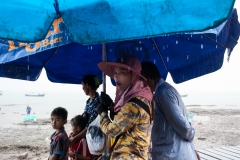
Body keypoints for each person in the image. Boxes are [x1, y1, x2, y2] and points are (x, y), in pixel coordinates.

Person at [97, 54, 153, 159]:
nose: (116, 77)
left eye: (122, 72)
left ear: (133, 75)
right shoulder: (141, 97)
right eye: (115, 72)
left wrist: (102, 113)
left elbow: (111, 130)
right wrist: (110, 105)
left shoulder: (132, 106)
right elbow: (124, 121)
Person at [141, 61, 201, 160]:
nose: (141, 86)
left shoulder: (163, 93)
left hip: (174, 155)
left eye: (141, 81)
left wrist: (191, 144)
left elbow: (184, 127)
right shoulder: (161, 92)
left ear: (147, 78)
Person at [69, 75, 101, 158]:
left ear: (87, 86)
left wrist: (75, 139)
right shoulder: (88, 102)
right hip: (86, 136)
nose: (82, 88)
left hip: (94, 139)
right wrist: (75, 133)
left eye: (83, 85)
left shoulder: (97, 102)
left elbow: (89, 126)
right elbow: (84, 121)